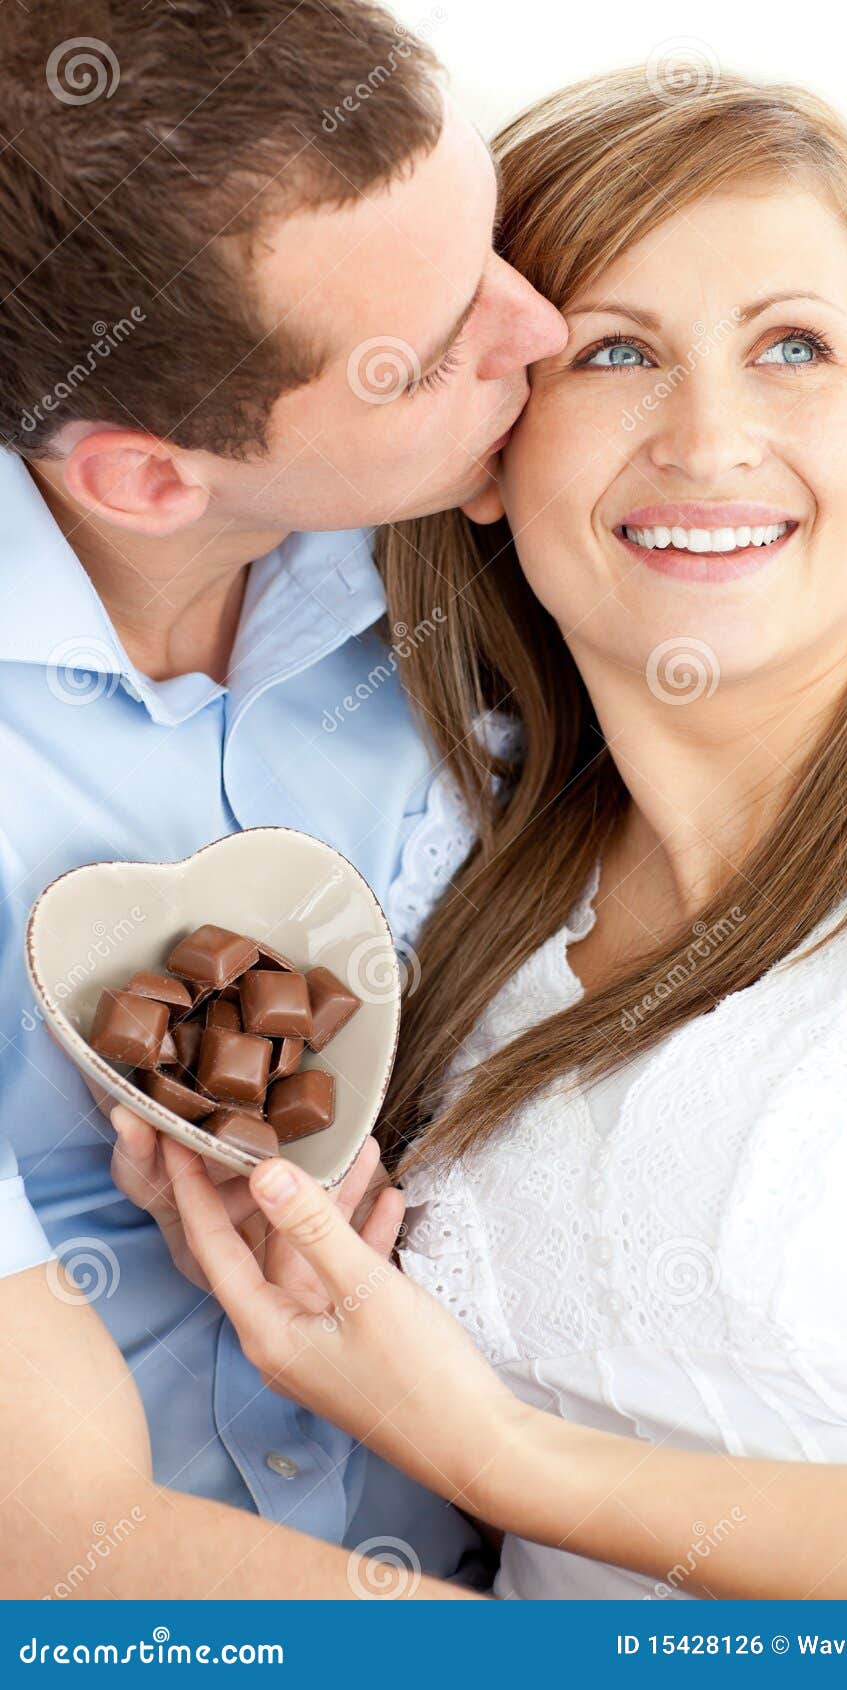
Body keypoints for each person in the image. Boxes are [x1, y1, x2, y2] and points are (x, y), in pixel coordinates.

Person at [129, 66, 847, 1599]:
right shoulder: (455, 932)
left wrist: (500, 1452)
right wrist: (314, 1309)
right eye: (619, 351)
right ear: (490, 451)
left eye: (794, 348)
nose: (709, 439)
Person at [0, 0, 564, 1599]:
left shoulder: (474, 567)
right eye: (440, 346)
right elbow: (60, 1550)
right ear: (148, 476)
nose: (541, 326)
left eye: (494, 238)